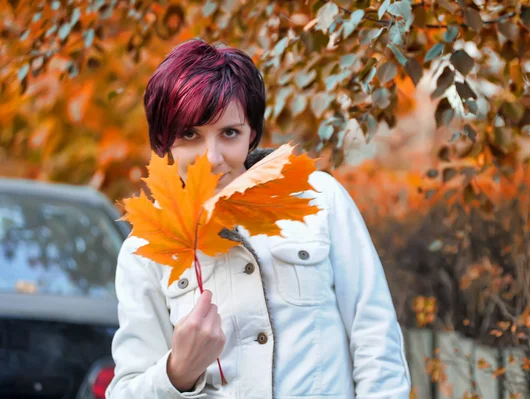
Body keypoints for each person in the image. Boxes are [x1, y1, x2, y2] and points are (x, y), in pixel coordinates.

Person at [106, 39, 411, 399]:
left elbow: (375, 338)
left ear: (252, 134)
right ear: (164, 141)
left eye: (229, 133)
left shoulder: (316, 197)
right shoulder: (144, 250)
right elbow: (125, 391)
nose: (212, 157)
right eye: (190, 134)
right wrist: (178, 373)